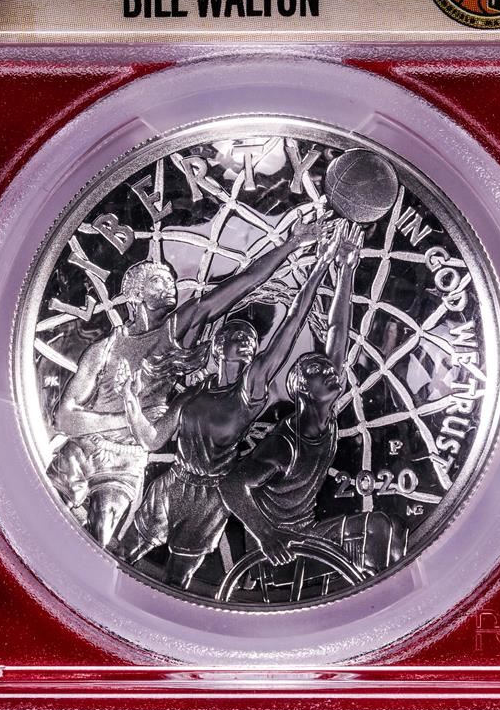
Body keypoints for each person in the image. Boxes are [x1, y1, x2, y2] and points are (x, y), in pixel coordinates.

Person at [48, 208, 325, 547]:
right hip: (81, 450)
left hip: (124, 460)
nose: (171, 285)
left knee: (98, 545)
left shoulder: (175, 332)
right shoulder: (102, 349)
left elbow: (243, 283)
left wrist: (291, 244)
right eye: (159, 281)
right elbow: (64, 419)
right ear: (136, 295)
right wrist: (127, 416)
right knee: (34, 516)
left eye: (170, 279)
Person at [116, 223, 343, 589]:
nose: (246, 341)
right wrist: (130, 403)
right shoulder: (193, 394)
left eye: (251, 339)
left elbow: (291, 324)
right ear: (218, 347)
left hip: (210, 497)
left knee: (176, 585)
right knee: (116, 557)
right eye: (236, 335)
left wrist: (320, 266)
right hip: (172, 483)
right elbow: (153, 439)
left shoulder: (249, 391)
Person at [219, 223, 405, 582]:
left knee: (390, 533)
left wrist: (346, 270)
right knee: (377, 533)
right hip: (280, 553)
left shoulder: (324, 416)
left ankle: (385, 599)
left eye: (328, 369)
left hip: (308, 536)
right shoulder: (285, 443)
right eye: (319, 371)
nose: (332, 372)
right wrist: (266, 535)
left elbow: (336, 333)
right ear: (303, 389)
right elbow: (231, 485)